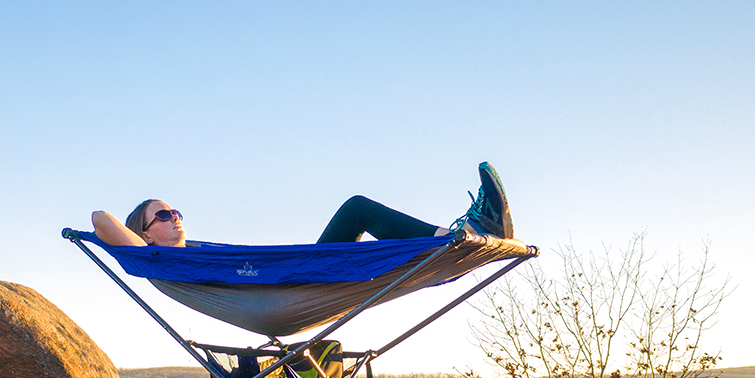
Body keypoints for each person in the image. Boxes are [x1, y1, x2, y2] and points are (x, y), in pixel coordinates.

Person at [91, 162, 512, 247]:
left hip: (294, 275)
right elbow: (99, 218)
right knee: (356, 208)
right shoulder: (158, 258)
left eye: (177, 211)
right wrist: (135, 242)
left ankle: (459, 237)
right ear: (145, 232)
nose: (175, 217)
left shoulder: (191, 249)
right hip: (290, 285)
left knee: (377, 239)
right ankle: (463, 236)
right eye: (163, 215)